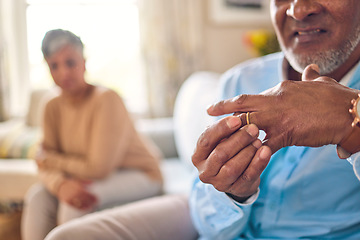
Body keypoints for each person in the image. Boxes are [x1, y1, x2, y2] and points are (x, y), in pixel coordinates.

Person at [45, 1, 360, 239]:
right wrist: (233, 192)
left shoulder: (105, 99)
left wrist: (351, 121)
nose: (299, 9)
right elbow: (207, 218)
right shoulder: (241, 81)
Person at [21, 29, 163, 240]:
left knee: (76, 200)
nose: (64, 73)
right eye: (54, 66)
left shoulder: (106, 99)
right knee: (37, 196)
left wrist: (50, 160)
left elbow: (99, 168)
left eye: (70, 62)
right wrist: (60, 184)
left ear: (84, 62)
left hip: (140, 174)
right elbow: (43, 164)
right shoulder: (51, 106)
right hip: (86, 175)